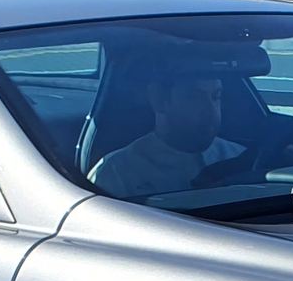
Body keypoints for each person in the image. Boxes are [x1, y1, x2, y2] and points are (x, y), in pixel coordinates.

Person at [89, 69, 245, 200]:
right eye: (194, 98)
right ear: (158, 100)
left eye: (215, 97)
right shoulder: (116, 174)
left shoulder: (241, 159)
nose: (211, 112)